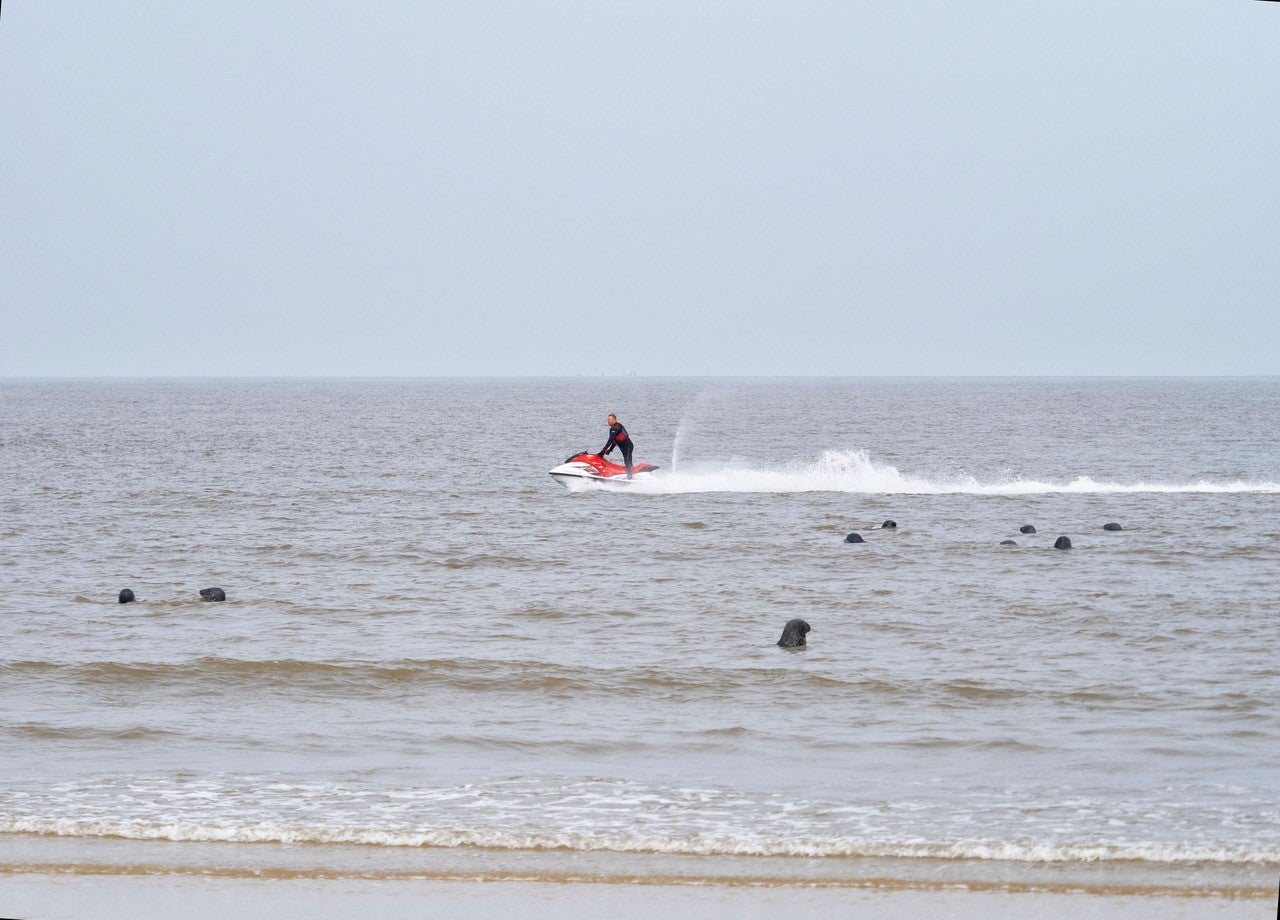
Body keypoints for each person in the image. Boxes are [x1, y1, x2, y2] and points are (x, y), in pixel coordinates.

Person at [598, 414, 634, 478]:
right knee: (626, 460)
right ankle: (629, 475)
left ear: (614, 420)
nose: (608, 421)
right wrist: (610, 450)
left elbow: (611, 440)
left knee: (627, 460)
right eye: (607, 419)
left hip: (628, 446)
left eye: (609, 419)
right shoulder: (612, 429)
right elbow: (615, 441)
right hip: (624, 447)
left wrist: (604, 450)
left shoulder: (616, 427)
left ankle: (630, 477)